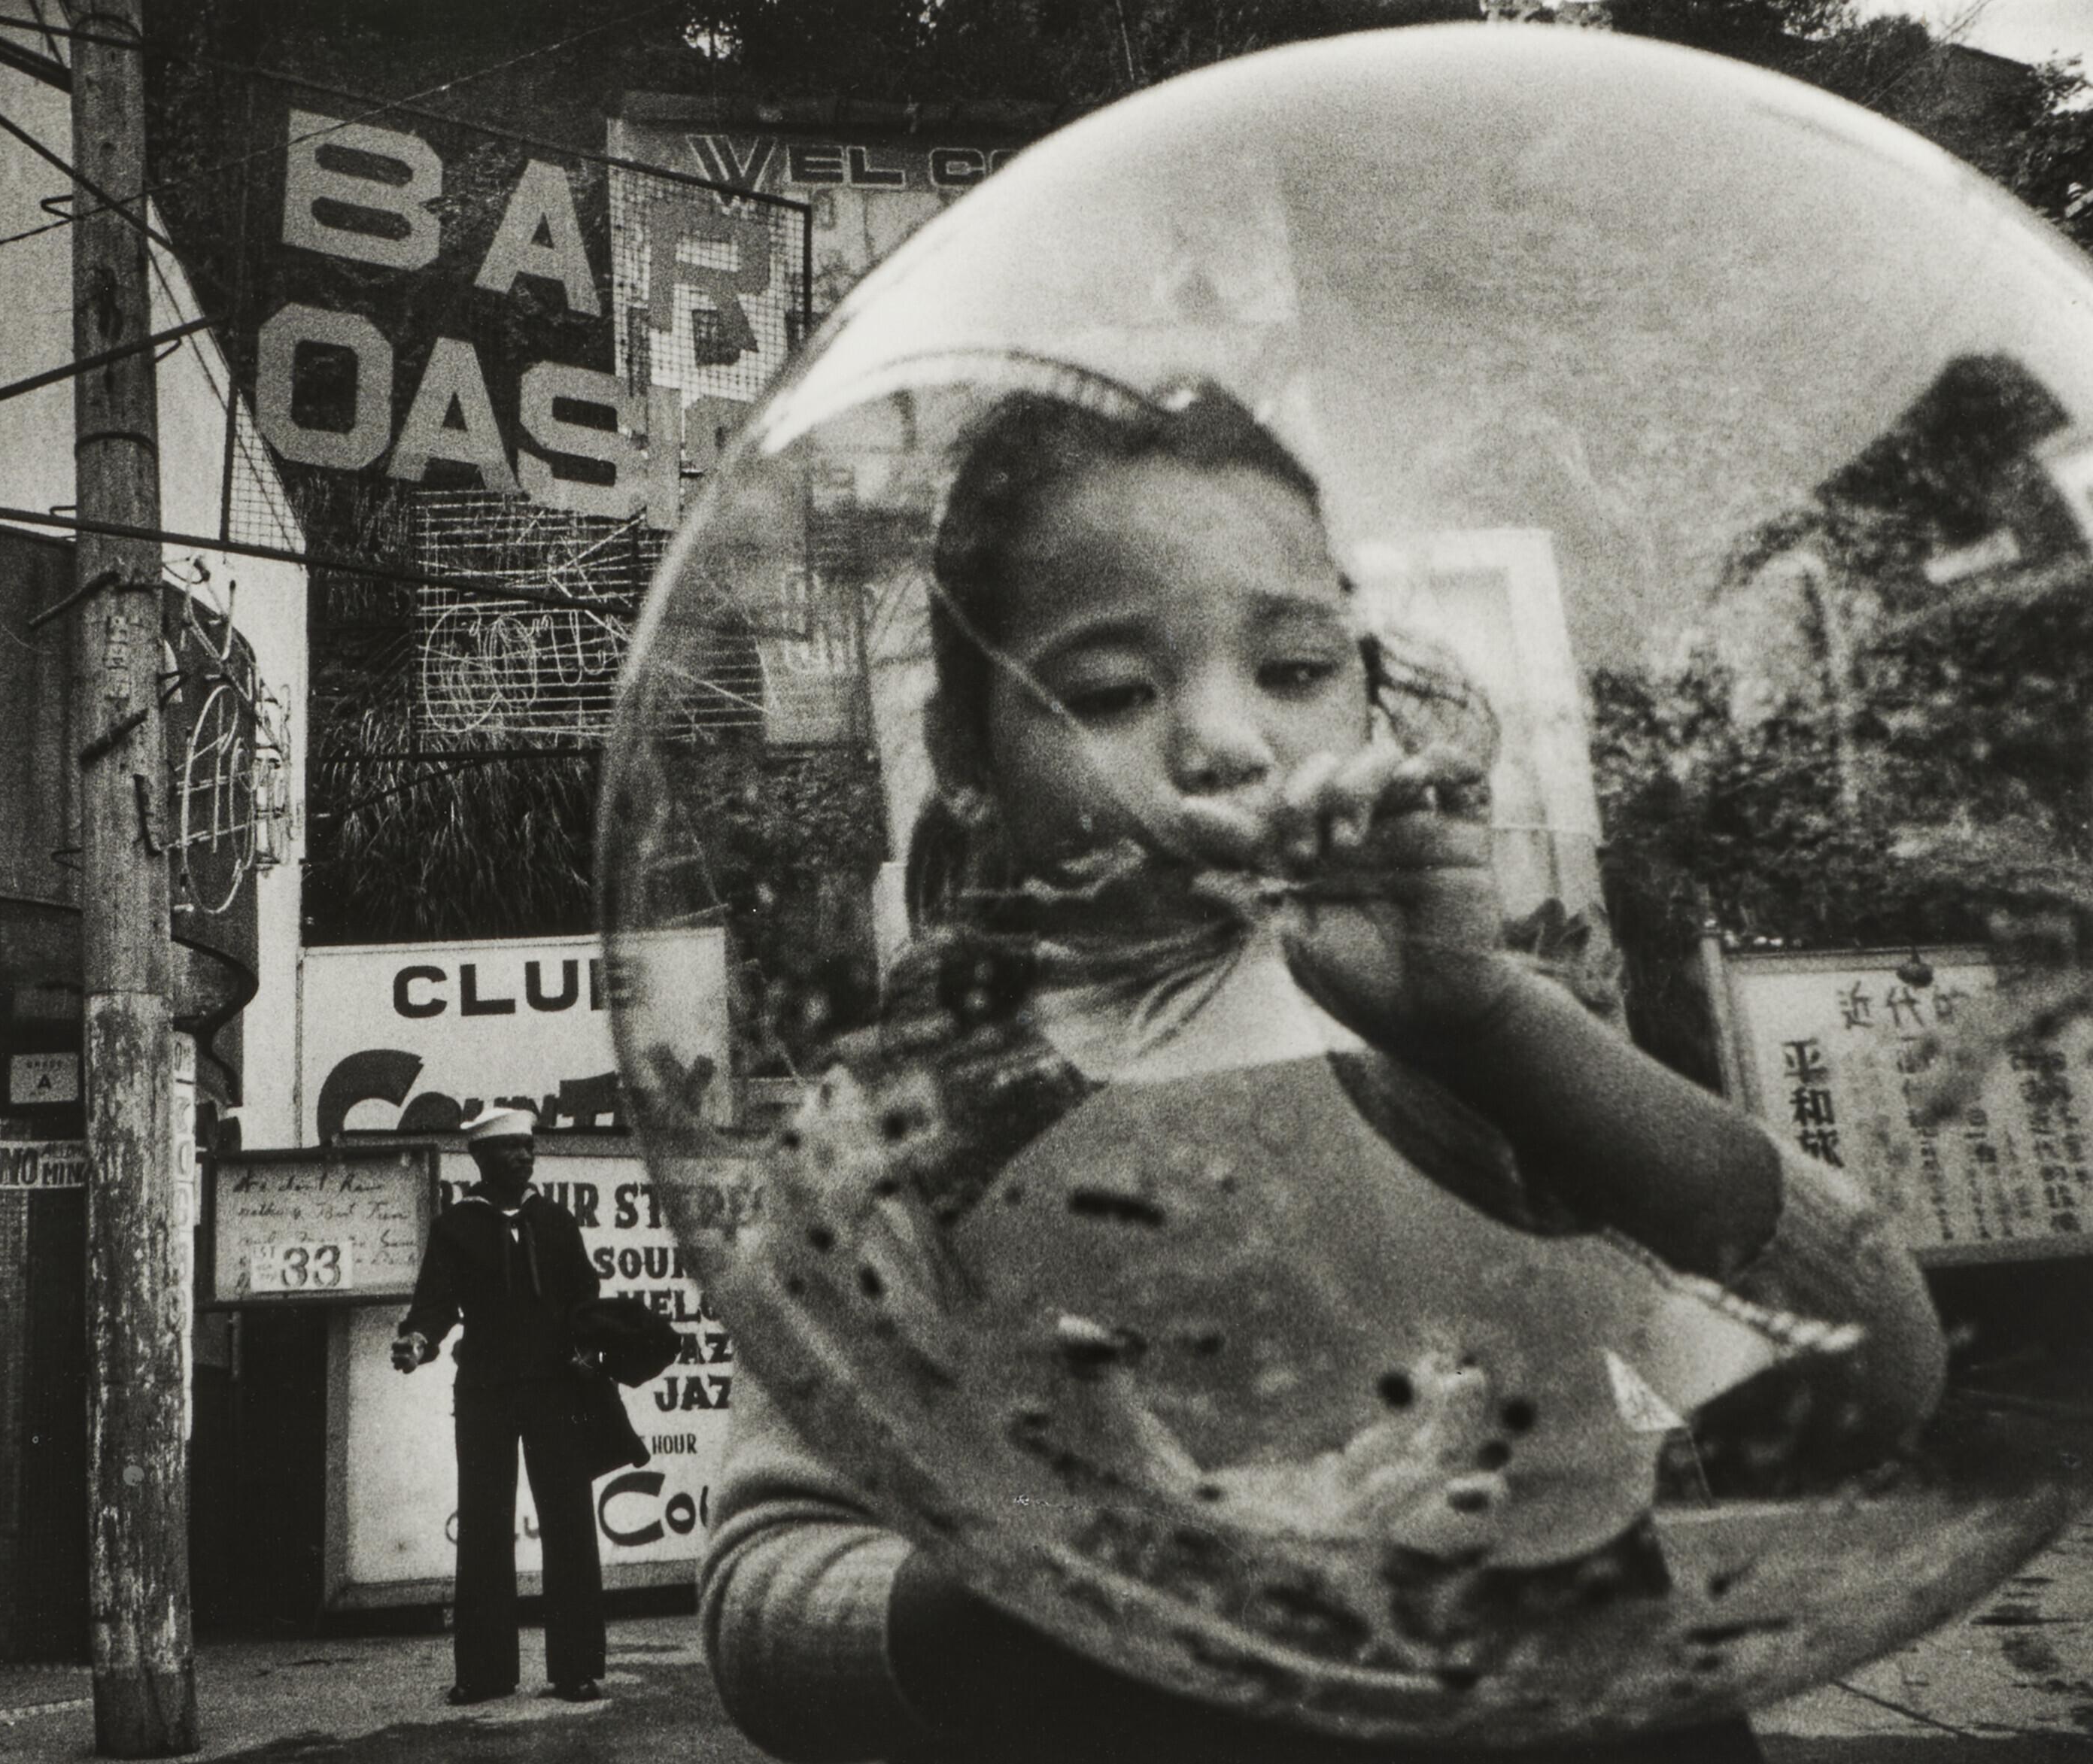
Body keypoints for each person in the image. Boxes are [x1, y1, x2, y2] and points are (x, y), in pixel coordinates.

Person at [697, 380, 1950, 1762]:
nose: (1226, 740)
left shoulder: (1489, 1035)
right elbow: (771, 1604)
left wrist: (1483, 1023)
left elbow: (1877, 1377)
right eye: (1112, 689)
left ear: (1365, 689)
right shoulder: (904, 1121)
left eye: (1294, 668)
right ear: (965, 751)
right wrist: (1105, 1565)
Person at [393, 1104, 606, 1705]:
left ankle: (577, 1669)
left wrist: (590, 1347)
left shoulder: (558, 1222)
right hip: (485, 1392)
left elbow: (585, 1298)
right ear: (481, 1158)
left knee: (568, 1520)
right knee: (485, 1524)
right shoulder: (456, 1226)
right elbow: (435, 1305)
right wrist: (417, 1340)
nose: (524, 1155)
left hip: (554, 1390)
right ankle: (484, 1674)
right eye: (510, 1147)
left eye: (528, 1145)